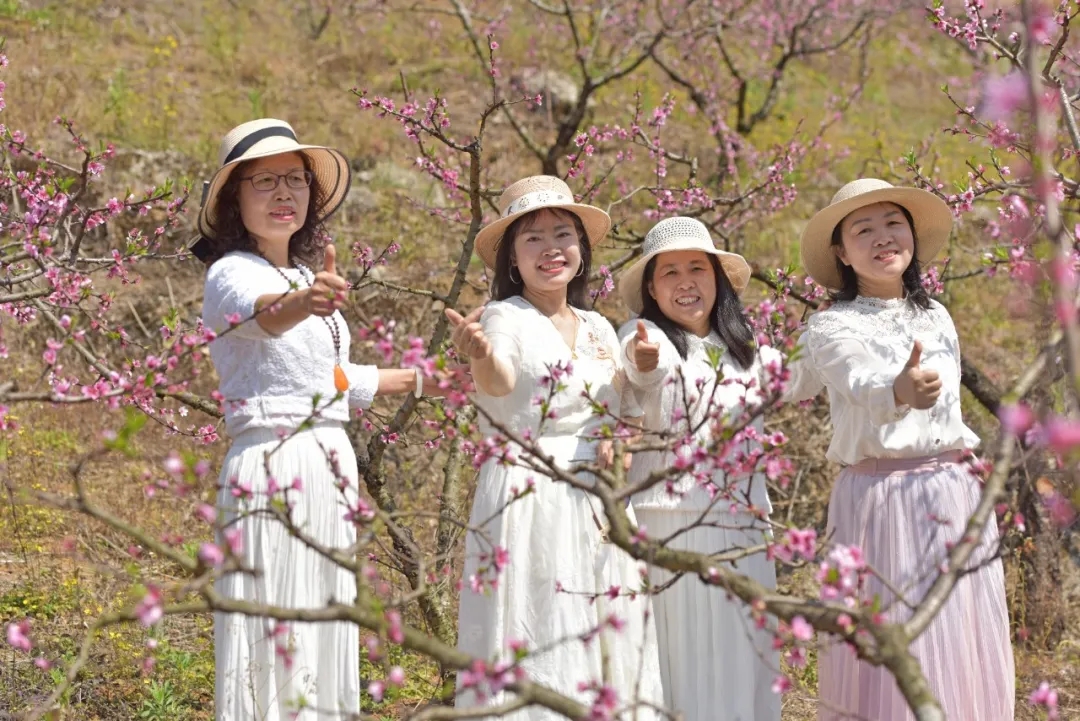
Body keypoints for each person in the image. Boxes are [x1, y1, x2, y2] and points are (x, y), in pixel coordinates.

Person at [194, 118, 442, 721]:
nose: (284, 194)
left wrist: (415, 379)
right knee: (276, 616)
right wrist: (306, 302)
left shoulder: (305, 276)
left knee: (322, 620)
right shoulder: (230, 274)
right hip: (274, 462)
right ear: (234, 201)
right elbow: (263, 319)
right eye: (265, 182)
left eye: (296, 181)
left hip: (328, 463)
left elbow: (327, 377)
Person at [784, 178, 1015, 720]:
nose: (883, 237)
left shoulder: (935, 314)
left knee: (958, 637)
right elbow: (857, 377)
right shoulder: (830, 326)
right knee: (894, 647)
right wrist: (897, 391)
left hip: (952, 493)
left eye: (893, 224)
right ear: (841, 251)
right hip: (881, 500)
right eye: (863, 229)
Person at [446, 175, 664, 720]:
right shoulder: (505, 315)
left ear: (582, 250)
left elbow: (623, 409)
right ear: (513, 260)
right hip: (529, 486)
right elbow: (499, 380)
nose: (551, 249)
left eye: (562, 235)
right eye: (533, 238)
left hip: (597, 497)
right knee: (536, 624)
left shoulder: (596, 324)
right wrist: (476, 354)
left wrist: (636, 386)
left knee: (601, 631)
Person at [615, 216, 781, 721]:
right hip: (673, 526)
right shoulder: (644, 335)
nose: (686, 282)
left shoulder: (747, 351)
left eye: (697, 268)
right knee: (682, 654)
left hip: (744, 525)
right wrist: (645, 363)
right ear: (650, 287)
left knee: (741, 654)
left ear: (718, 279)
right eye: (669, 273)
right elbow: (645, 365)